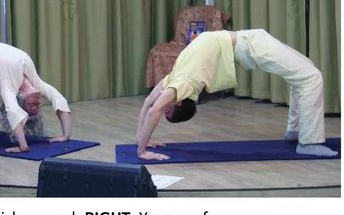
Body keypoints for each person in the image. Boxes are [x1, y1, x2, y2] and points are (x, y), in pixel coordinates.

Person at [135, 29, 336, 161]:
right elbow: (153, 108)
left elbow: (149, 104)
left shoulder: (175, 79)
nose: (163, 111)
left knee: (306, 72)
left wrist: (141, 144)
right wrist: (143, 148)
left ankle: (296, 131)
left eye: (165, 113)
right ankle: (309, 143)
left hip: (251, 41)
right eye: (166, 114)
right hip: (251, 46)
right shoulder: (184, 83)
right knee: (311, 76)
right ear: (179, 103)